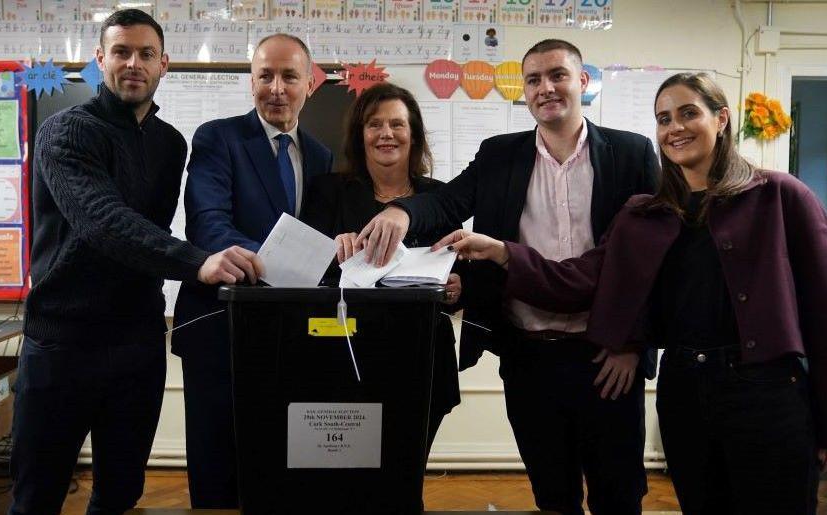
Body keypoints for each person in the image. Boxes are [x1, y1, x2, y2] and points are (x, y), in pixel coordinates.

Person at [438, 72, 827, 515]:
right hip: (685, 392)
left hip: (770, 394)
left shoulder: (781, 196)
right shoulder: (646, 214)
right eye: (664, 118)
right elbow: (578, 281)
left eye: (688, 113)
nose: (675, 128)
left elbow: (824, 314)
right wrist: (503, 253)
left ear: (721, 119)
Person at [355, 39, 659, 515]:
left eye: (557, 75)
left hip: (605, 357)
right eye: (533, 79)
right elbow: (448, 203)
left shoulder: (630, 153)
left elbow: (647, 262)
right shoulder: (500, 156)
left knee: (617, 494)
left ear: (582, 82)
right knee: (552, 493)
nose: (545, 88)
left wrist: (632, 344)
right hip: (528, 357)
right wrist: (401, 213)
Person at [9, 9, 257, 515]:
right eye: (121, 51)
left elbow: (153, 232)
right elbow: (104, 222)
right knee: (36, 498)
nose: (133, 63)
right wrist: (199, 262)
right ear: (100, 59)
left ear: (164, 64)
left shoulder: (171, 144)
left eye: (146, 54)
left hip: (137, 346)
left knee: (120, 494)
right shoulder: (65, 133)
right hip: (63, 345)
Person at [171, 33, 333, 508]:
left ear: (310, 83)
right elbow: (208, 224)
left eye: (289, 76)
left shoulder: (322, 156)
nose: (277, 88)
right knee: (217, 471)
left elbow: (321, 239)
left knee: (279, 470)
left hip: (291, 337)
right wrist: (282, 266)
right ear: (252, 82)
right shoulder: (217, 137)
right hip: (221, 328)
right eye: (266, 75)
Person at [300, 82, 461, 458]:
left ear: (413, 134)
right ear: (360, 135)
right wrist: (330, 249)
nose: (386, 134)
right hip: (343, 356)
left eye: (397, 125)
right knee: (348, 476)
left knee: (405, 473)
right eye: (374, 124)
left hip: (420, 360)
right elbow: (305, 270)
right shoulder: (327, 191)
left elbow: (456, 273)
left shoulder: (440, 196)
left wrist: (457, 288)